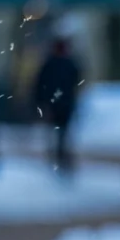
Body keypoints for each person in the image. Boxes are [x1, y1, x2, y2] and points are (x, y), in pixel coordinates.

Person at [32, 36, 83, 170]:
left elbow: (40, 84)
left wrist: (41, 101)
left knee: (57, 133)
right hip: (63, 104)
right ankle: (60, 156)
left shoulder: (51, 64)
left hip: (56, 104)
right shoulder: (68, 64)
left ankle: (57, 156)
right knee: (62, 133)